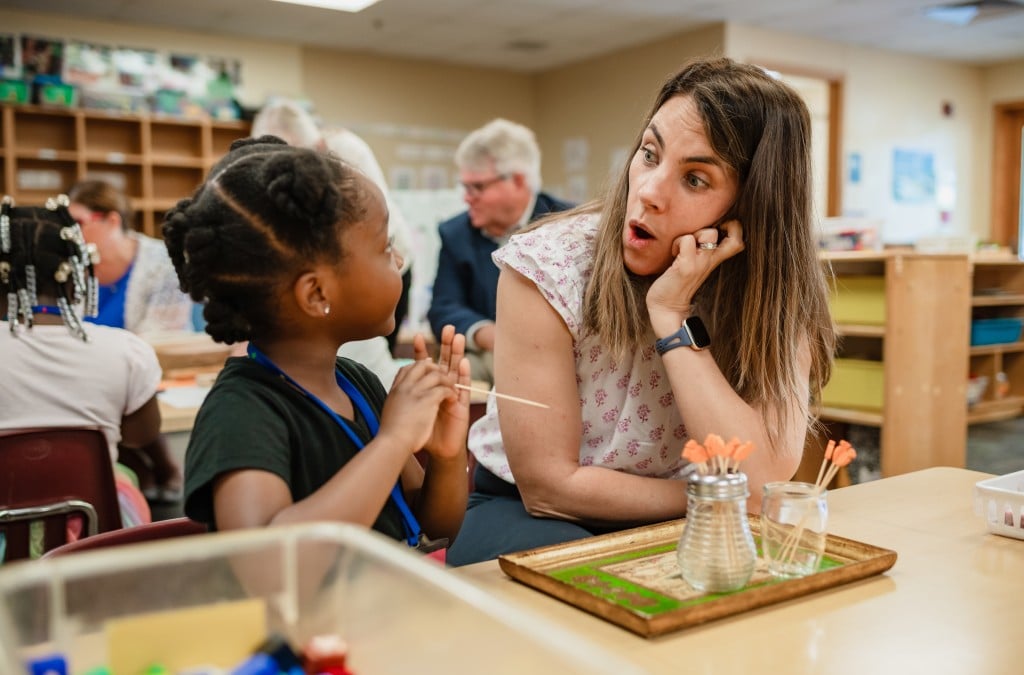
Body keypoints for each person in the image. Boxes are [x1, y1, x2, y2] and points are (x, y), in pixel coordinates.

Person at [445, 57, 837, 566]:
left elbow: (761, 477)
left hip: (699, 517)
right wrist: (717, 496)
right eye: (650, 154)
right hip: (529, 513)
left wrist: (671, 315)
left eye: (696, 179)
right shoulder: (546, 264)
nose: (648, 192)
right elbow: (548, 487)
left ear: (751, 208)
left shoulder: (778, 296)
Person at [164, 136, 471, 551]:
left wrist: (448, 457)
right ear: (316, 294)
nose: (398, 260)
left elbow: (435, 528)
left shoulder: (357, 384)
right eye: (384, 248)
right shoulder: (241, 410)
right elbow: (266, 564)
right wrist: (394, 441)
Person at [0, 195, 160, 530]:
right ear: (78, 273)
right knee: (125, 477)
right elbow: (141, 436)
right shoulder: (125, 351)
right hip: (92, 536)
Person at [251, 100, 414, 388]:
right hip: (332, 273)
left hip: (372, 261)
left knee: (363, 362)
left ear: (316, 144)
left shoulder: (346, 151)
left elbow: (374, 218)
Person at [427, 118, 573, 387]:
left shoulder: (569, 226)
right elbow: (443, 308)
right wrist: (490, 335)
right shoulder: (455, 234)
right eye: (466, 187)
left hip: (561, 357)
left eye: (477, 187)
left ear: (518, 181)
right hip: (488, 356)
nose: (467, 197)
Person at [66, 179, 194, 334]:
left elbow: (161, 340)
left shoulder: (166, 264)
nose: (69, 233)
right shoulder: (69, 264)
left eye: (77, 223)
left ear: (112, 221)